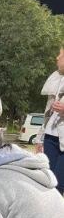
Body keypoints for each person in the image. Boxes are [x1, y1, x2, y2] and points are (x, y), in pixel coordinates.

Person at [35, 46, 64, 194]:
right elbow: (47, 112)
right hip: (51, 137)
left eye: (60, 54)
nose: (57, 58)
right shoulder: (55, 78)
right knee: (47, 181)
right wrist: (40, 138)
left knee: (59, 184)